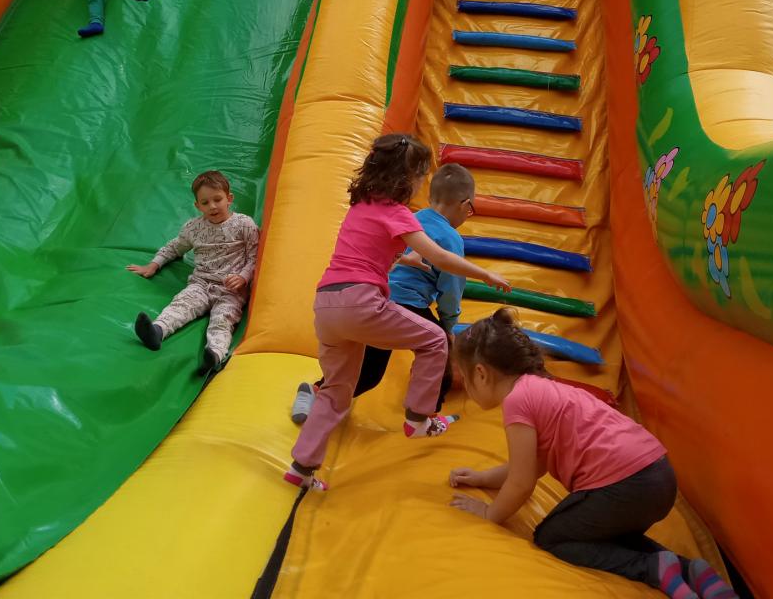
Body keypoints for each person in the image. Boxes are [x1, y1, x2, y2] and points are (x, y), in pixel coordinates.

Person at [448, 310, 739, 599]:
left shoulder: (517, 401)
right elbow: (531, 468)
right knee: (600, 533)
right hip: (658, 476)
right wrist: (481, 478)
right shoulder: (543, 388)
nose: (467, 392)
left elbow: (522, 483)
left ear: (481, 373)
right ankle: (693, 571)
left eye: (466, 381)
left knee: (552, 536)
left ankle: (652, 568)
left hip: (625, 484)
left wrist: (489, 513)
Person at [285, 134, 511, 492]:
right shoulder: (398, 213)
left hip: (326, 305)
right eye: (420, 177)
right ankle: (418, 419)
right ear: (407, 178)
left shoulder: (361, 207)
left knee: (336, 393)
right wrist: (485, 274)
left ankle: (302, 468)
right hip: (360, 303)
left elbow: (363, 252)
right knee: (435, 339)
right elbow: (440, 257)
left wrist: (404, 260)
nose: (421, 185)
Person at [290, 163, 477, 423]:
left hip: (376, 297)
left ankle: (317, 391)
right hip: (407, 302)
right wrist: (448, 322)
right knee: (440, 345)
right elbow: (451, 286)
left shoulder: (412, 218)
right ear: (464, 205)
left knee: (370, 372)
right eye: (471, 209)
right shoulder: (451, 239)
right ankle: (425, 414)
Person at [130, 171, 259, 374]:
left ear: (229, 198)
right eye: (205, 202)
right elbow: (175, 247)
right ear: (197, 206)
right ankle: (157, 331)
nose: (212, 206)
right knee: (182, 305)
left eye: (218, 199)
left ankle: (214, 354)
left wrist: (243, 277)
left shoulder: (244, 224)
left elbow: (254, 256)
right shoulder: (194, 228)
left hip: (231, 290)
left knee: (222, 320)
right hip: (201, 284)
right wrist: (154, 264)